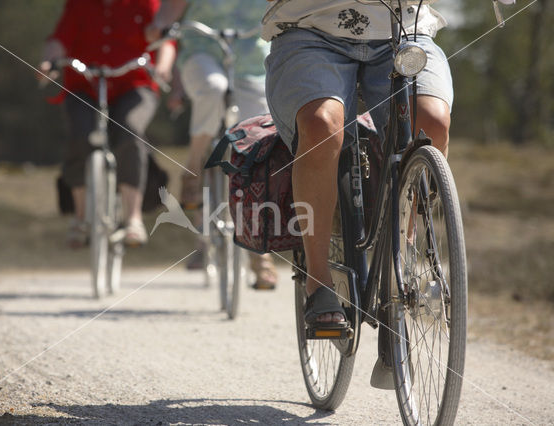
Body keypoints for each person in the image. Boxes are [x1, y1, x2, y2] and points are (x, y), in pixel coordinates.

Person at [262, 1, 454, 326]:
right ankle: (319, 281)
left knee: (432, 123)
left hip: (404, 28)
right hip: (310, 28)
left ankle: (403, 257)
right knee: (321, 125)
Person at [146, 0, 279, 289]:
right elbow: (170, 10)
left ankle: (261, 255)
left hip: (254, 63)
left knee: (262, 143)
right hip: (202, 53)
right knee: (213, 88)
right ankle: (193, 166)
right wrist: (160, 27)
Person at [39, 0, 175, 247]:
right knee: (81, 134)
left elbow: (164, 38)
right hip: (84, 84)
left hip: (134, 84)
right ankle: (80, 218)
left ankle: (133, 218)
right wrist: (49, 62)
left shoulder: (145, 2)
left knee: (130, 127)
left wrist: (163, 67)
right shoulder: (79, 4)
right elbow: (59, 39)